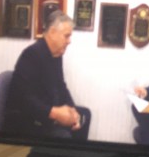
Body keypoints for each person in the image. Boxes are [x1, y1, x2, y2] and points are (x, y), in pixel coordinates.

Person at [5, 11, 89, 139]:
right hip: (26, 120)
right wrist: (55, 113)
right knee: (63, 136)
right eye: (66, 36)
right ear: (52, 32)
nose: (69, 41)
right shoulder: (31, 54)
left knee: (84, 115)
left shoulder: (56, 54)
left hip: (45, 113)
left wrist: (72, 110)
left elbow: (61, 87)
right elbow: (24, 99)